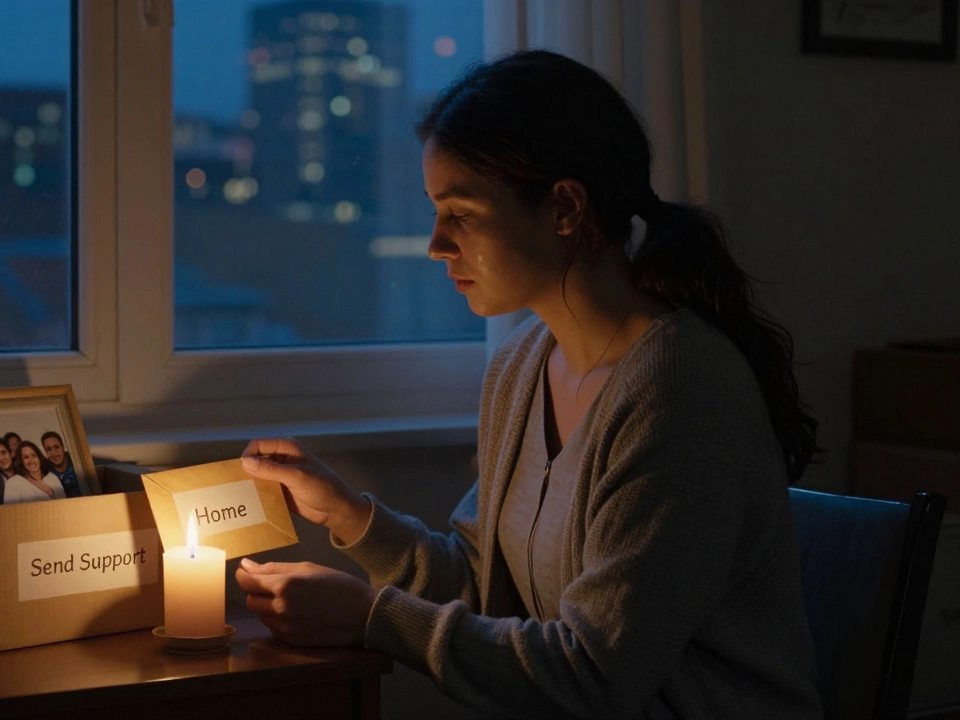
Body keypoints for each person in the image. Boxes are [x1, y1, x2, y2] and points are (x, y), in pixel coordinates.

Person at [233, 50, 823, 719]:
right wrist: (348, 515)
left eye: (461, 213)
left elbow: (593, 674)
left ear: (565, 207)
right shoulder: (521, 367)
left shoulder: (678, 393)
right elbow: (485, 588)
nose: (436, 245)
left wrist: (371, 616)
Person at [41, 430, 82, 498]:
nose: (54, 453)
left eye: (57, 447)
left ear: (63, 447)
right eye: (48, 449)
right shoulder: (45, 470)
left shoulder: (75, 459)